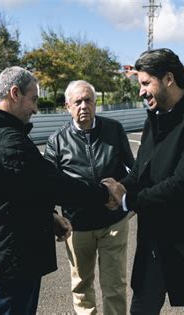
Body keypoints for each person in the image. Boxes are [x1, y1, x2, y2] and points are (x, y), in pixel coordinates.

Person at [0, 67, 113, 315]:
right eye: (33, 99)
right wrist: (105, 193)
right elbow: (53, 184)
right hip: (11, 263)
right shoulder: (10, 140)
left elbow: (9, 194)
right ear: (15, 93)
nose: (35, 108)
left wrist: (48, 216)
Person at [102, 48, 184, 315]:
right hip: (154, 244)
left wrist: (127, 200)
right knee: (142, 308)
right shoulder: (154, 121)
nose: (141, 92)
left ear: (169, 78)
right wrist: (113, 189)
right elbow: (139, 175)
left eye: (146, 83)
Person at [44, 80, 134, 314]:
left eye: (88, 100)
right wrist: (53, 215)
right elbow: (48, 185)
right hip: (78, 226)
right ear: (67, 106)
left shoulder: (114, 129)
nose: (84, 105)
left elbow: (133, 170)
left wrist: (123, 194)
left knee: (115, 285)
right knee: (81, 286)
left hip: (113, 223)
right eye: (78, 101)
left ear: (96, 103)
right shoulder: (57, 140)